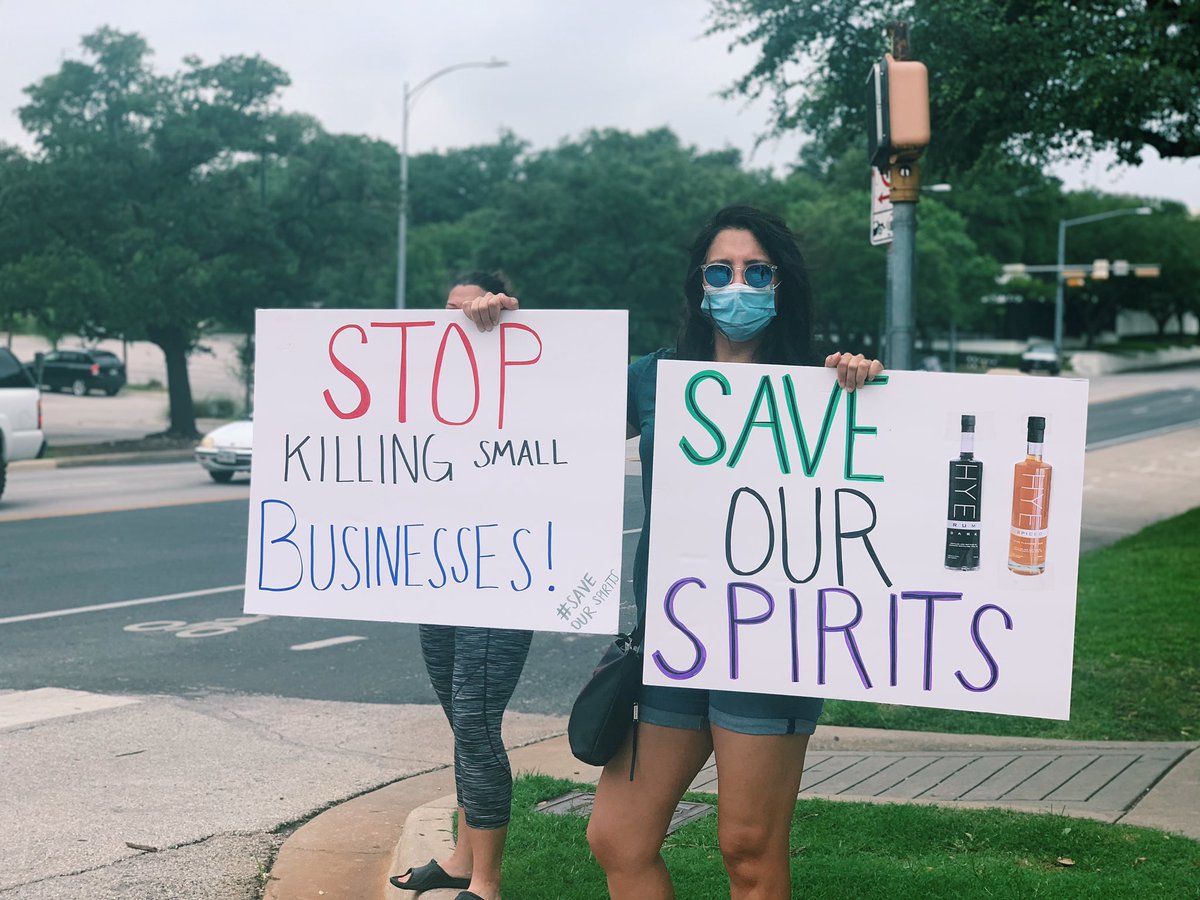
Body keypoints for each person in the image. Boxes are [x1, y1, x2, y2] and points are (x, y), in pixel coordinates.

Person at [584, 205, 883, 899]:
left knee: (748, 849)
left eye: (756, 271)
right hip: (674, 641)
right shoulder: (654, 377)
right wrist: (489, 331)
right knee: (617, 837)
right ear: (698, 283)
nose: (736, 284)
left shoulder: (821, 387)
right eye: (720, 270)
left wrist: (866, 387)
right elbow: (539, 407)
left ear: (783, 286)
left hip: (768, 641)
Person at [388, 271, 525, 900]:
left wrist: (503, 320)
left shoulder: (521, 372)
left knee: (475, 722)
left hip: (501, 578)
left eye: (473, 307)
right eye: (450, 308)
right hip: (440, 573)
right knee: (460, 721)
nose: (460, 317)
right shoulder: (428, 380)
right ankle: (464, 858)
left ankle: (487, 882)